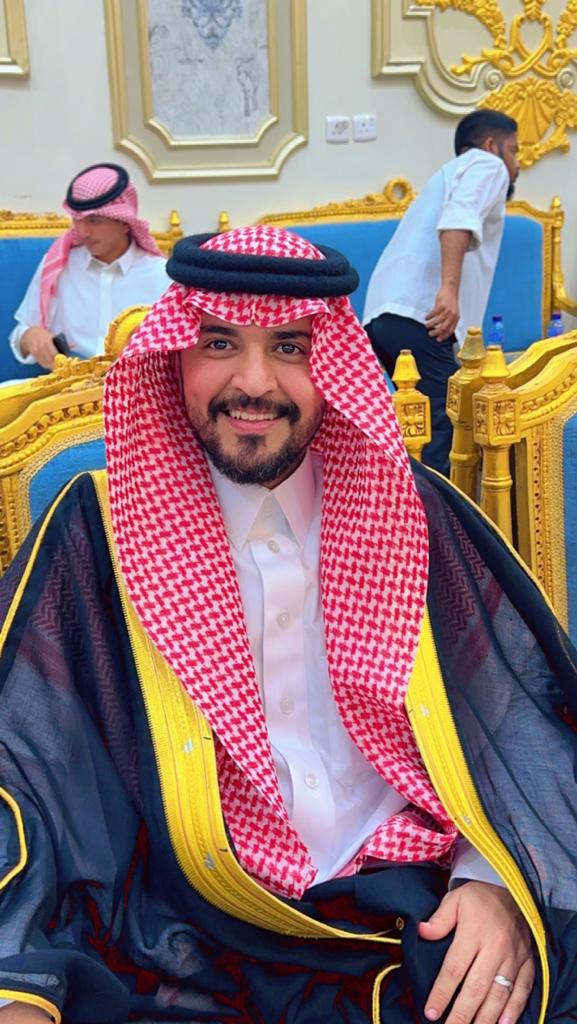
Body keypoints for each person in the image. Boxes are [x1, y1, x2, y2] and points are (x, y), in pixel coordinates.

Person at [0, 225, 575, 1024]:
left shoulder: (411, 512)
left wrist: (495, 878)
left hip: (416, 905)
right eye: (218, 342)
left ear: (332, 361)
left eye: (291, 347)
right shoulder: (97, 532)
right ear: (175, 354)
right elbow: (23, 766)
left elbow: (516, 712)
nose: (253, 383)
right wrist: (17, 978)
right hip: (187, 932)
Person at [363, 110, 520, 476]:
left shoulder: (450, 174)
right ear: (492, 145)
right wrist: (449, 290)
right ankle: (438, 514)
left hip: (384, 317)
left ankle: (411, 504)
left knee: (420, 434)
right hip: (423, 316)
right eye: (514, 150)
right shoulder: (489, 165)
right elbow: (458, 217)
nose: (517, 164)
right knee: (449, 430)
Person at [9, 163, 170, 370]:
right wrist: (30, 336)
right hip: (67, 384)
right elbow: (20, 334)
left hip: (135, 385)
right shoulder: (58, 265)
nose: (83, 232)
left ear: (124, 223)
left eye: (94, 221)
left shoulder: (161, 275)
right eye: (77, 221)